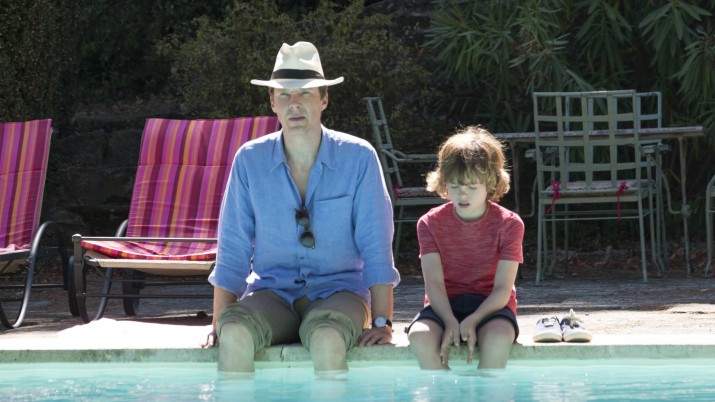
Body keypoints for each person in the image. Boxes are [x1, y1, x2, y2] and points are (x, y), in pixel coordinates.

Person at [207, 41, 400, 374]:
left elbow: (376, 245)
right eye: (284, 94)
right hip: (271, 293)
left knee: (326, 337)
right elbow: (233, 248)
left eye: (305, 93)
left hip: (340, 293)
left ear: (324, 99)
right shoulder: (249, 160)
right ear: (272, 102)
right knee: (234, 332)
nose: (294, 103)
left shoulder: (359, 158)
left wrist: (383, 322)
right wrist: (219, 323)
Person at [406, 126, 524, 370]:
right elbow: (434, 284)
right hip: (443, 305)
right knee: (419, 336)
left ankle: (487, 389)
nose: (462, 194)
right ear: (443, 182)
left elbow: (503, 289)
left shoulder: (510, 224)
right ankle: (443, 387)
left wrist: (475, 319)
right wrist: (449, 320)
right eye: (455, 185)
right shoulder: (429, 223)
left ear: (490, 183)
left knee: (498, 339)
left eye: (472, 187)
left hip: (491, 306)